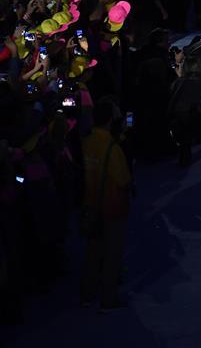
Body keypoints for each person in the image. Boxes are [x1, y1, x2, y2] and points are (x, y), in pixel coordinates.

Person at [80, 97, 131, 311]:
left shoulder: (85, 141)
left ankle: (88, 293)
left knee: (92, 252)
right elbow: (123, 180)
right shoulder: (112, 147)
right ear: (111, 121)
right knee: (111, 254)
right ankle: (108, 298)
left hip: (89, 205)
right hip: (112, 206)